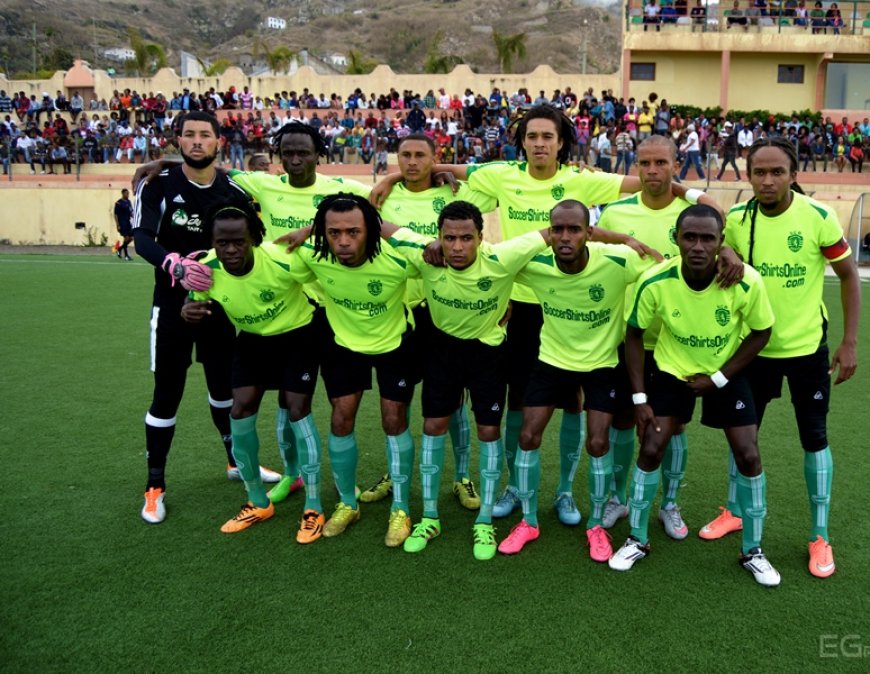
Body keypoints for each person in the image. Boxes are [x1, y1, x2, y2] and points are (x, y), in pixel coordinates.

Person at [372, 104, 710, 528]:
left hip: (568, 305)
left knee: (573, 403)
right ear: (522, 141)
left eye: (547, 136)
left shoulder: (581, 180)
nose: (538, 144)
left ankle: (565, 491)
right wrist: (389, 177)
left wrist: (696, 197)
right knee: (519, 400)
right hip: (519, 305)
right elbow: (440, 167)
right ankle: (515, 485)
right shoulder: (501, 174)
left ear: (561, 141)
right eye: (531, 136)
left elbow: (648, 177)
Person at [700, 137, 860, 579]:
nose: (767, 181)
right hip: (752, 349)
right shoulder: (736, 218)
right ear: (748, 175)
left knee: (814, 436)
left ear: (793, 174)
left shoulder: (818, 217)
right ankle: (734, 510)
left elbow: (848, 276)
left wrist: (849, 342)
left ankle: (819, 534)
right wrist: (726, 250)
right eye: (759, 172)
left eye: (777, 172)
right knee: (743, 435)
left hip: (807, 348)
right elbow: (714, 249)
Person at [609, 205, 780, 587]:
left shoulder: (746, 282)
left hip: (725, 374)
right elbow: (633, 335)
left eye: (708, 238)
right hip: (672, 372)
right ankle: (637, 539)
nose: (698, 246)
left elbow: (761, 332)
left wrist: (719, 377)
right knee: (652, 446)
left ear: (722, 243)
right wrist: (640, 399)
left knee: (749, 454)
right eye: (690, 237)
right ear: (676, 239)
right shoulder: (656, 280)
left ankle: (753, 550)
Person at [379, 201, 551, 559]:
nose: (457, 247)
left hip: (488, 353)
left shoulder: (503, 257)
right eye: (449, 238)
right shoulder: (424, 254)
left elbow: (557, 233)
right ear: (438, 237)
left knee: (489, 430)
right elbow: (377, 225)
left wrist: (627, 242)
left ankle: (485, 520)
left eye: (466, 238)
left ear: (480, 237)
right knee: (432, 425)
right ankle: (429, 516)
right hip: (442, 351)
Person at [132, 111, 277, 525]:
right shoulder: (157, 184)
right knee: (167, 395)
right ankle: (155, 486)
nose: (197, 141)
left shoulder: (233, 187)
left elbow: (258, 234)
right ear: (178, 139)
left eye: (205, 135)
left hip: (221, 308)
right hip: (172, 307)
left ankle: (236, 463)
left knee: (224, 391)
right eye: (190, 135)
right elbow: (142, 238)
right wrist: (174, 264)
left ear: (218, 142)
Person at [498, 200, 658, 560]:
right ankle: (528, 521)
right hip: (552, 360)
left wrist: (723, 253)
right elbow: (492, 257)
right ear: (549, 233)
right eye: (557, 230)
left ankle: (596, 526)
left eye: (574, 229)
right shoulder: (536, 263)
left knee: (598, 443)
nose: (565, 237)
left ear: (589, 233)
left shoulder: (617, 260)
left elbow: (664, 265)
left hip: (602, 363)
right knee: (527, 434)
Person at [358, 134, 497, 508]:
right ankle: (395, 471)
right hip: (399, 312)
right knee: (395, 403)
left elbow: (496, 186)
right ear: (396, 159)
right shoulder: (384, 196)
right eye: (406, 155)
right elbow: (364, 218)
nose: (413, 162)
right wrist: (386, 180)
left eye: (422, 155)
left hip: (442, 312)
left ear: (436, 159)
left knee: (452, 401)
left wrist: (448, 173)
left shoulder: (451, 194)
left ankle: (462, 477)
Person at [182, 202, 325, 541]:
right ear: (212, 242)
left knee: (297, 408)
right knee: (240, 409)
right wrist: (187, 309)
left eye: (239, 242)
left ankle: (314, 506)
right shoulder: (206, 269)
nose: (231, 250)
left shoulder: (281, 259)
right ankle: (257, 501)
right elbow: (193, 300)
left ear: (254, 239)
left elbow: (326, 280)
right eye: (223, 243)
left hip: (298, 335)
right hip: (251, 341)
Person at [288, 193, 418, 547]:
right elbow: (264, 260)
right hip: (343, 346)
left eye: (354, 232)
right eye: (333, 233)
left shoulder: (396, 259)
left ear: (370, 230)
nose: (343, 242)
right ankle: (348, 502)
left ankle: (401, 508)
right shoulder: (314, 256)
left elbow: (431, 249)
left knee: (394, 419)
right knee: (341, 418)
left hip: (394, 344)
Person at [114, 188, 134, 261]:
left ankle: (119, 249)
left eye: (128, 193)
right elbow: (115, 214)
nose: (127, 195)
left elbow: (131, 211)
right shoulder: (118, 203)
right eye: (126, 193)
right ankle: (126, 256)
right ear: (122, 194)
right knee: (126, 238)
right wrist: (118, 224)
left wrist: (134, 216)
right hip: (122, 222)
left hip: (128, 222)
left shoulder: (129, 202)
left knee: (131, 238)